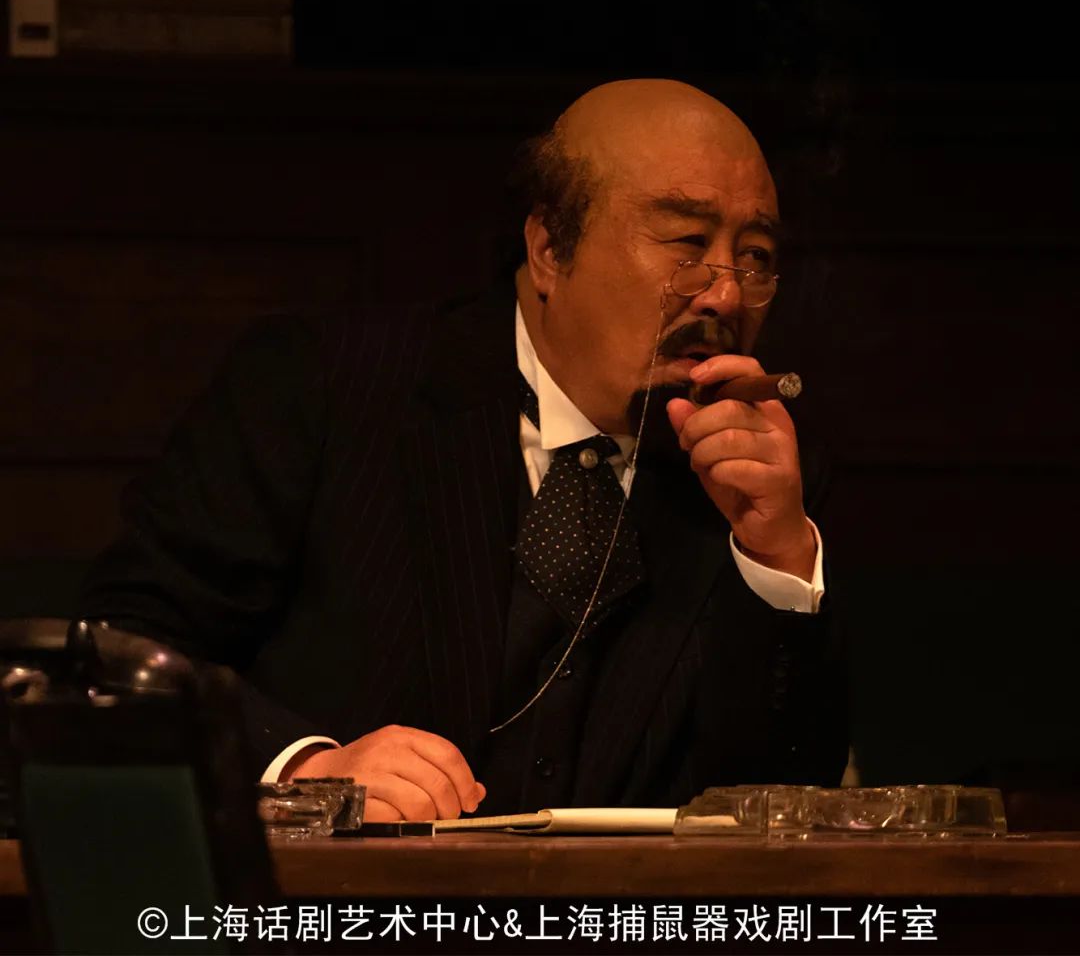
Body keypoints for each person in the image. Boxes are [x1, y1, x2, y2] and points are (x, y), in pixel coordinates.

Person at [81, 79, 847, 822]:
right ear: (549, 249)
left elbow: (789, 798)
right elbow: (122, 648)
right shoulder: (327, 386)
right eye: (687, 243)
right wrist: (304, 768)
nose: (725, 293)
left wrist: (777, 557)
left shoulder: (760, 475)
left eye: (754, 257)